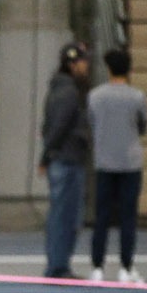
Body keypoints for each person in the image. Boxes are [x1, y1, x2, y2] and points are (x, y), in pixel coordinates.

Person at [87, 48, 147, 284]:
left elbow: (92, 123)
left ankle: (97, 267)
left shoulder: (95, 96)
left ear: (108, 68)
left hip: (105, 161)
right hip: (130, 163)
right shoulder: (137, 97)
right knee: (127, 217)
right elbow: (144, 126)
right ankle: (125, 266)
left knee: (101, 217)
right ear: (129, 69)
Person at [40, 41, 92, 279]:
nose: (86, 66)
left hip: (66, 158)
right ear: (72, 64)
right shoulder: (68, 92)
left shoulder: (60, 89)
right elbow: (57, 127)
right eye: (82, 61)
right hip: (67, 160)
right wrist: (47, 155)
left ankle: (59, 264)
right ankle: (58, 266)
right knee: (66, 216)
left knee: (63, 215)